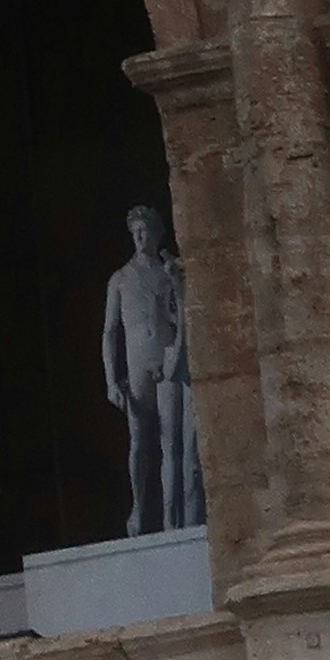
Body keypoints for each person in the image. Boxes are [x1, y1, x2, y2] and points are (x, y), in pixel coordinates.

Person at [100, 202, 201, 536]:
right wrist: (111, 380)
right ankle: (140, 507)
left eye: (147, 232)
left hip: (167, 360)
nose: (142, 238)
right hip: (138, 364)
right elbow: (110, 331)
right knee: (139, 442)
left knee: (171, 442)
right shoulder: (120, 279)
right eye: (137, 232)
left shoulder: (168, 272)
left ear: (157, 234)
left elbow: (179, 314)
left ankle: (174, 516)